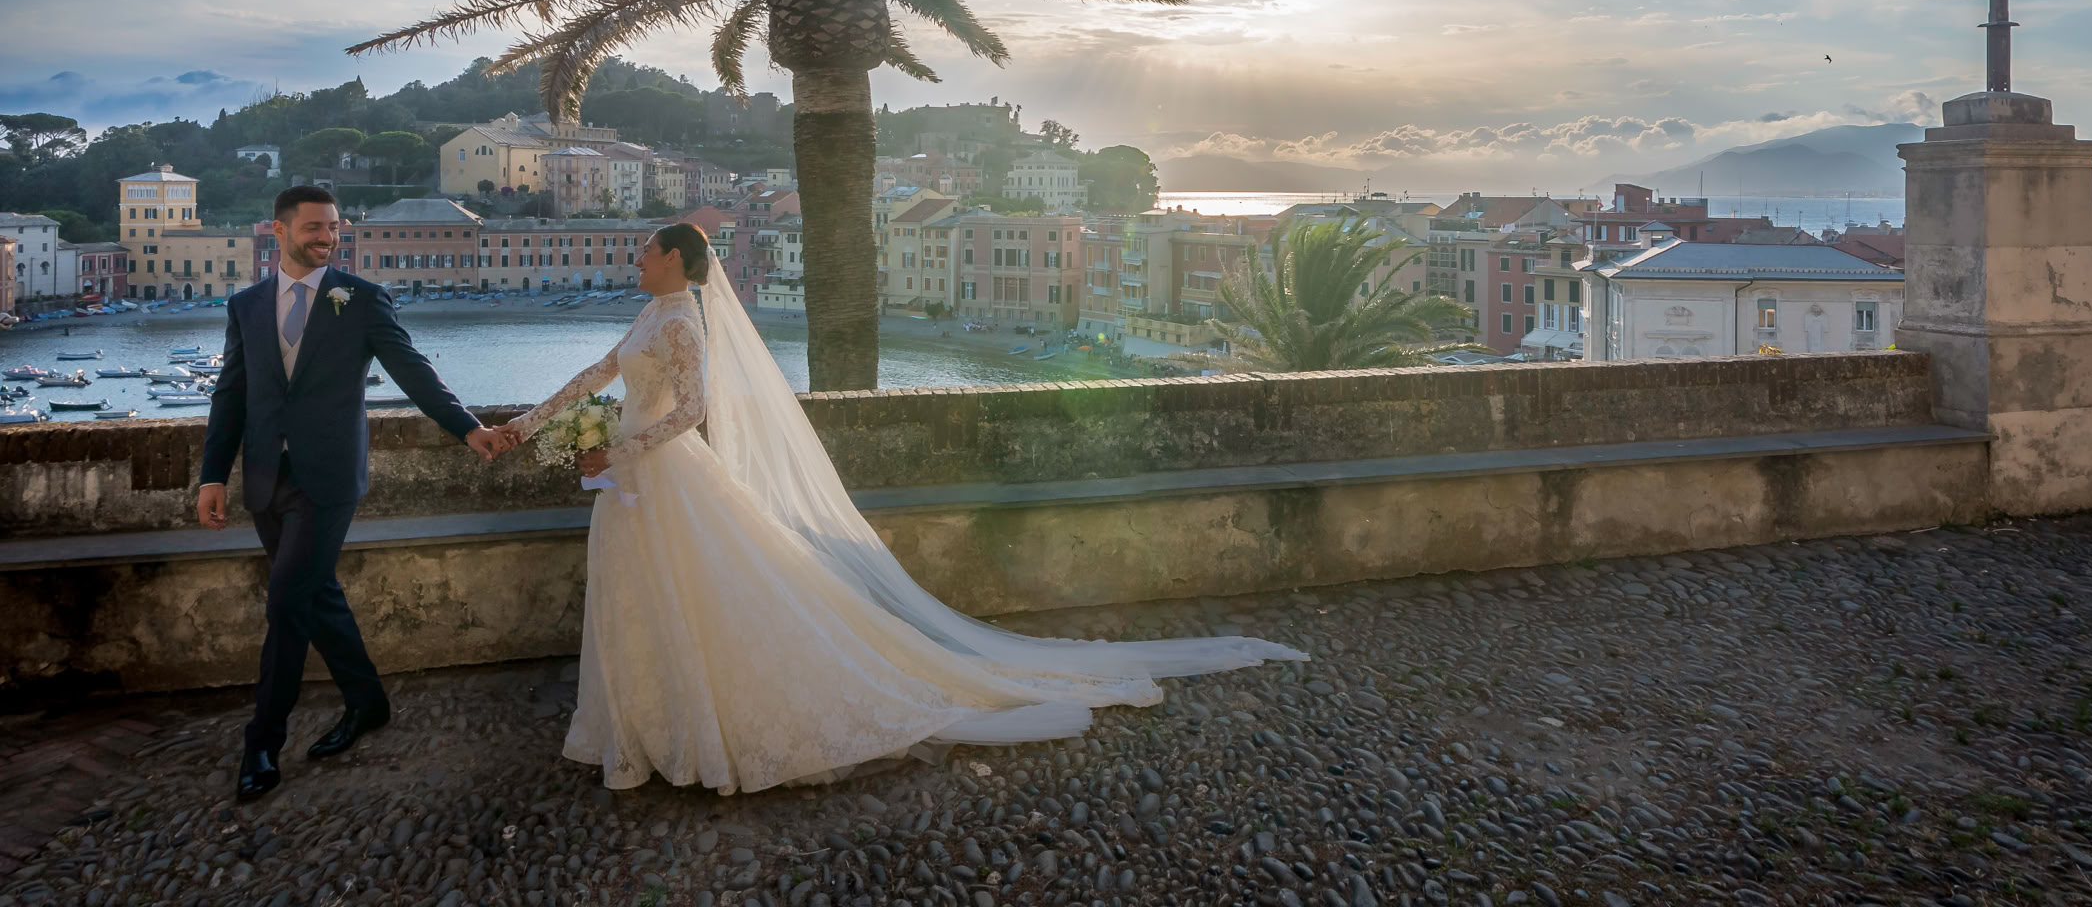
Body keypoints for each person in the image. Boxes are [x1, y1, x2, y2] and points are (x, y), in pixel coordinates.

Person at [489, 223, 1302, 793]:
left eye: (644, 248)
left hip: (664, 478)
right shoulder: (648, 312)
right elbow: (597, 376)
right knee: (641, 603)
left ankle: (689, 731)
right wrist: (520, 429)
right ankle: (645, 732)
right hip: (634, 484)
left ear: (672, 259)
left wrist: (616, 451)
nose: (635, 255)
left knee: (691, 600)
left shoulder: (686, 325)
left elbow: (692, 413)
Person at [198, 186, 503, 802]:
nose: (327, 237)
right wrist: (212, 475)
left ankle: (263, 741)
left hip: (329, 478)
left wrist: (467, 427)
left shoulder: (359, 300)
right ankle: (367, 702)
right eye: (313, 227)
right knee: (317, 596)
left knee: (286, 604)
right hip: (264, 478)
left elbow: (412, 369)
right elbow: (232, 394)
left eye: (333, 227)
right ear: (278, 231)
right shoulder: (246, 306)